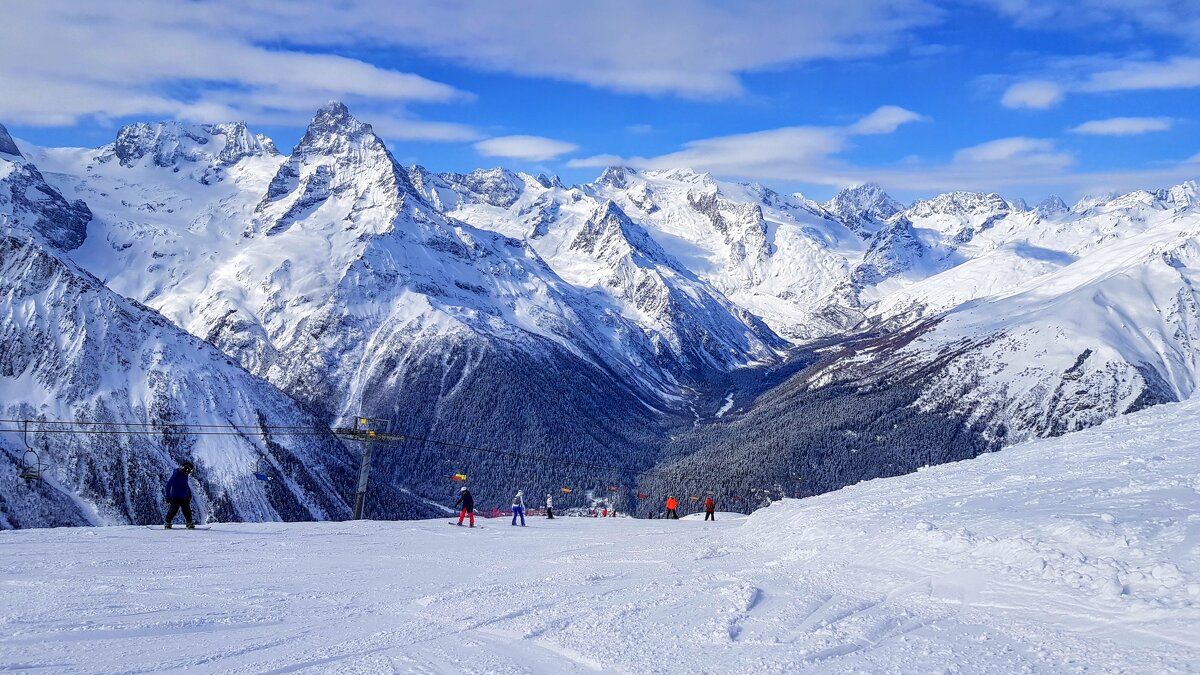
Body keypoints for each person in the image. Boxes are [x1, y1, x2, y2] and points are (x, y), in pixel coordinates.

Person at [164, 461, 195, 529]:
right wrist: (168, 496)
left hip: (184, 496)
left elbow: (185, 484)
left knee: (187, 510)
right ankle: (167, 523)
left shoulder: (185, 474)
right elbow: (168, 485)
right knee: (173, 510)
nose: (190, 472)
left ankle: (189, 523)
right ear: (186, 469)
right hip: (175, 497)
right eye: (189, 470)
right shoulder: (176, 475)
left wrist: (189, 493)